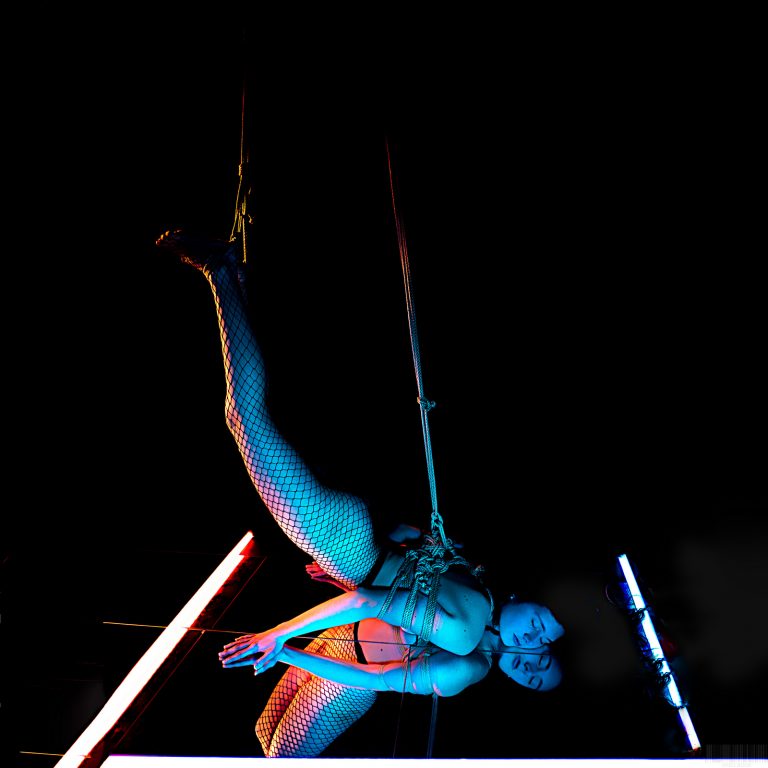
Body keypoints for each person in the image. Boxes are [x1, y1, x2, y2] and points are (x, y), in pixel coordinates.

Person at [156, 229, 565, 757]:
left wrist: (287, 642)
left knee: (266, 737)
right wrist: (282, 633)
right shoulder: (475, 613)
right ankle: (220, 271)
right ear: (526, 599)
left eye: (534, 671)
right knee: (245, 420)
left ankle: (231, 278)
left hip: (349, 623)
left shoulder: (473, 649)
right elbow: (385, 586)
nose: (531, 651)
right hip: (353, 557)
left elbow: (388, 652)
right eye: (540, 634)